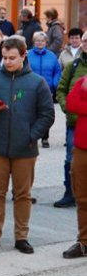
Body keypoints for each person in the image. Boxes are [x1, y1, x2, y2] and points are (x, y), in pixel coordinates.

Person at [0, 36, 55, 254]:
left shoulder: (37, 82)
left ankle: (22, 236)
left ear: (23, 56)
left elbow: (47, 114)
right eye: (4, 58)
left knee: (23, 194)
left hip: (25, 149)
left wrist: (32, 135)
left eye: (12, 58)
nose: (8, 62)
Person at [53, 46, 87, 208]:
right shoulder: (73, 66)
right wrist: (67, 108)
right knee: (70, 160)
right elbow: (61, 90)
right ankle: (70, 193)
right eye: (86, 40)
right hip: (74, 124)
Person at [63, 76, 87, 258]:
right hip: (81, 148)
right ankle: (84, 241)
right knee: (82, 197)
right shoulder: (83, 81)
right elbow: (71, 104)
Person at [29, 31, 62, 148]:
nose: (40, 43)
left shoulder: (52, 56)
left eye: (42, 41)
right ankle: (32, 136)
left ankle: (45, 138)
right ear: (34, 42)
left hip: (47, 89)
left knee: (46, 113)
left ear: (46, 42)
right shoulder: (28, 55)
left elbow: (57, 71)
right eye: (37, 40)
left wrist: (54, 83)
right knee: (31, 113)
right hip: (31, 89)